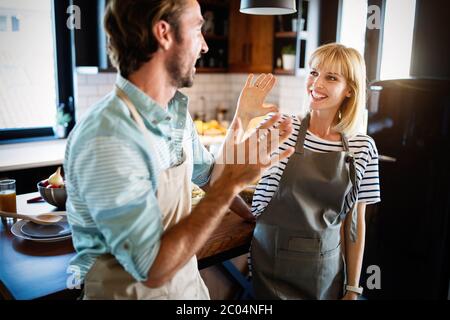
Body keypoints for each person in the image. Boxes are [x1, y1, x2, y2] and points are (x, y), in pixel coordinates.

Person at [64, 0, 294, 300]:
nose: (205, 47)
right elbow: (150, 268)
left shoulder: (175, 114)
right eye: (198, 28)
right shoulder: (107, 137)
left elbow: (208, 176)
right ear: (164, 33)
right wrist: (230, 185)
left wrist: (250, 212)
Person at [250, 43, 381, 300]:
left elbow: (355, 222)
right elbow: (226, 174)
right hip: (269, 265)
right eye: (313, 72)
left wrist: (353, 288)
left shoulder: (362, 147)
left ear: (349, 91)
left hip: (325, 271)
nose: (316, 83)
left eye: (331, 77)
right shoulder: (280, 130)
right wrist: (244, 119)